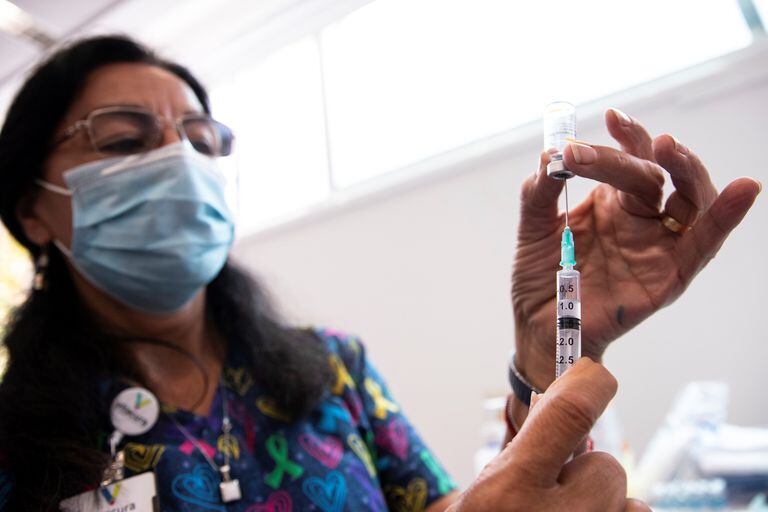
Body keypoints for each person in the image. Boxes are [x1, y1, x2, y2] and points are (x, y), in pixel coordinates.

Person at [0, 35, 759, 511]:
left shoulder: (331, 368)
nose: (178, 164)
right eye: (126, 140)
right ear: (31, 208)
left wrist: (550, 343)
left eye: (201, 140)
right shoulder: (16, 440)